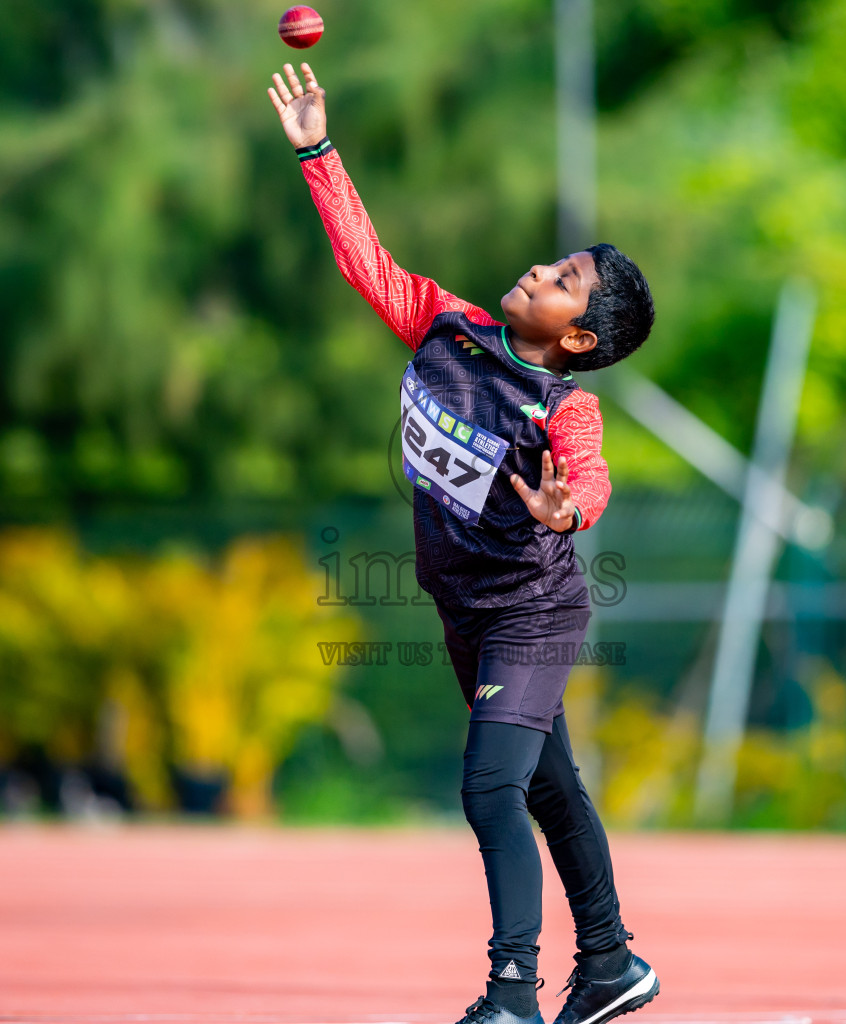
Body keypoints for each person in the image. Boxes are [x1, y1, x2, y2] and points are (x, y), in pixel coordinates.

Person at [267, 62, 659, 1024]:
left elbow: (589, 479)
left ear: (578, 339)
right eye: (554, 262)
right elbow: (368, 262)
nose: (539, 269)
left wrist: (566, 510)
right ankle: (611, 966)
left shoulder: (566, 408)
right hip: (464, 611)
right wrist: (319, 150)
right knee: (549, 788)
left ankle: (512, 991)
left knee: (492, 787)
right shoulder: (446, 326)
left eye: (563, 281)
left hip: (530, 611)